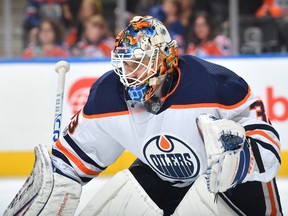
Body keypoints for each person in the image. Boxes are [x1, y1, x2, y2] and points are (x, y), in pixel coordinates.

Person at [6, 15, 282, 215]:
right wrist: (55, 180)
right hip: (166, 181)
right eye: (125, 63)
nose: (128, 74)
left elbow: (268, 144)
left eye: (138, 64)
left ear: (166, 59)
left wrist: (242, 160)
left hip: (232, 188)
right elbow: (71, 161)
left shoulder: (214, 83)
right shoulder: (108, 95)